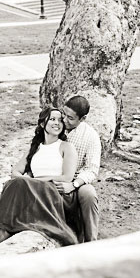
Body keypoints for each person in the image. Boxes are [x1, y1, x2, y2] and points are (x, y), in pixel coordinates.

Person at [0, 107, 80, 256]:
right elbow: (15, 172)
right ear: (42, 124)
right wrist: (26, 179)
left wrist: (36, 180)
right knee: (12, 183)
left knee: (20, 185)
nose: (57, 123)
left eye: (60, 120)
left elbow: (67, 177)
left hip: (53, 191)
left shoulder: (66, 147)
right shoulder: (35, 147)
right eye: (52, 119)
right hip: (32, 189)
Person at [58, 95, 102, 242]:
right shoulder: (55, 126)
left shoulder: (91, 137)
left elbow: (92, 169)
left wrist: (74, 184)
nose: (64, 119)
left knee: (89, 194)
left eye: (70, 118)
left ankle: (91, 242)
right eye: (63, 113)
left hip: (77, 181)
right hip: (54, 176)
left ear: (82, 119)